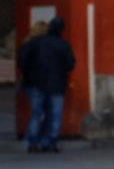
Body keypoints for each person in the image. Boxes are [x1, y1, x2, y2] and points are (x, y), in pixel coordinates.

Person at [17, 17, 75, 153]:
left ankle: (32, 142)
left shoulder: (34, 43)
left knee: (36, 113)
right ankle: (51, 142)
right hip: (57, 84)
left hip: (36, 83)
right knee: (54, 114)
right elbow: (70, 64)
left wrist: (29, 74)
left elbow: (22, 61)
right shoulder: (63, 44)